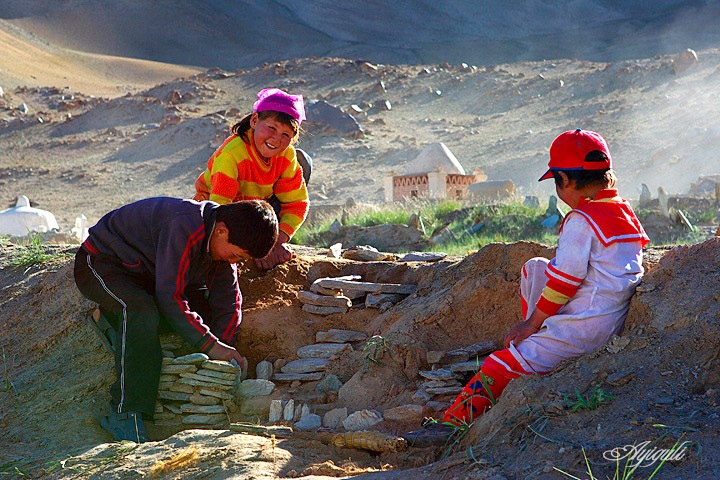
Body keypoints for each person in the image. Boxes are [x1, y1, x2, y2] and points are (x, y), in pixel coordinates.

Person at [404, 129, 649, 446]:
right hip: (607, 315)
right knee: (535, 268)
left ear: (565, 180)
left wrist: (531, 322)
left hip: (583, 327)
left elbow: (566, 280)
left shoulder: (582, 220)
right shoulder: (625, 213)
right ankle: (534, 345)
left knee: (498, 365)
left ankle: (450, 426)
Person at [74, 197, 278, 443]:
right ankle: (125, 411)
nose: (234, 262)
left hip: (149, 274)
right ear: (222, 231)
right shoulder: (184, 225)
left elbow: (228, 300)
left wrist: (223, 349)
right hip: (103, 265)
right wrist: (210, 346)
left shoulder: (220, 240)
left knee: (199, 309)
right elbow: (170, 297)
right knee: (141, 311)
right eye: (235, 255)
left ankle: (115, 322)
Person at [193, 87, 310, 271]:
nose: (276, 139)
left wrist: (275, 242)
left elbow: (297, 203)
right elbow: (219, 211)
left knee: (305, 164)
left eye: (286, 135)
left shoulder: (287, 156)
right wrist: (251, 245)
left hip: (258, 207)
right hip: (218, 211)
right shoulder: (231, 155)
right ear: (254, 120)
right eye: (271, 128)